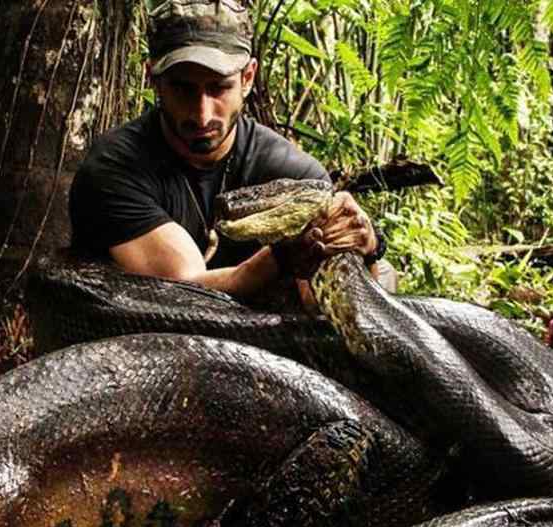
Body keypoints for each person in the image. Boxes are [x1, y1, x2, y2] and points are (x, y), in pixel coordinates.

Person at [69, 0, 386, 306]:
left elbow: (328, 303)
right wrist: (280, 258)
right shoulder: (112, 168)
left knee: (387, 275)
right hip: (128, 344)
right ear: (153, 79)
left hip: (256, 351)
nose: (202, 114)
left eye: (218, 88)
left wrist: (367, 246)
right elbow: (181, 291)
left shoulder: (295, 176)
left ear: (247, 78)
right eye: (183, 89)